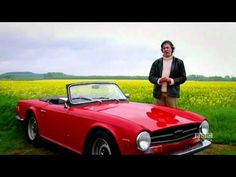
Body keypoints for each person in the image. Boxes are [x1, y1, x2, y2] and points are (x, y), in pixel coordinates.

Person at [148, 40, 187, 108]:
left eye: (167, 47)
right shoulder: (156, 63)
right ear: (162, 50)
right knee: (158, 115)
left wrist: (171, 81)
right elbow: (151, 77)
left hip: (172, 94)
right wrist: (159, 80)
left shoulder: (179, 62)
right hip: (158, 94)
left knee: (171, 115)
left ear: (172, 49)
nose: (166, 49)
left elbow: (183, 77)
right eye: (164, 48)